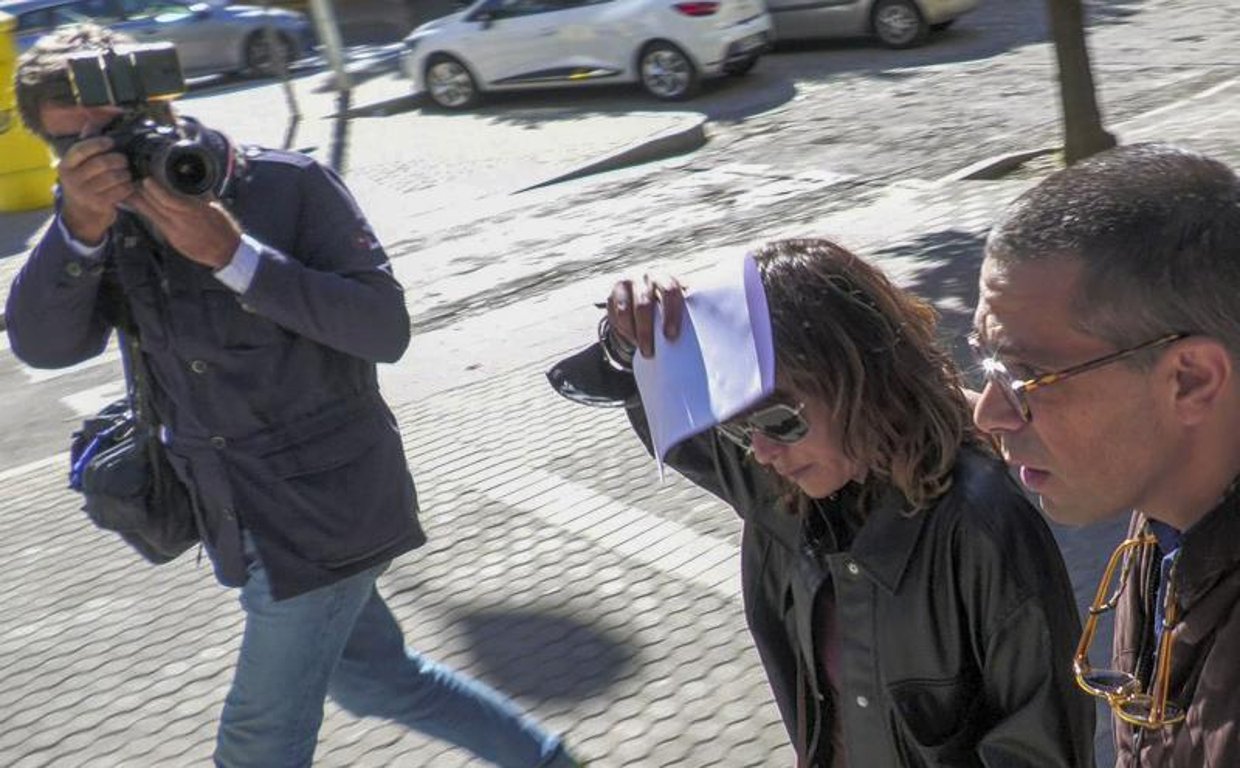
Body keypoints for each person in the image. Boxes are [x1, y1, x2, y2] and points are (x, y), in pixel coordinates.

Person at [7, 24, 576, 768]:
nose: (101, 161)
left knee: (256, 749)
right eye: (70, 147)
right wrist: (77, 229)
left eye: (112, 135)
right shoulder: (100, 222)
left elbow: (383, 327)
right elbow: (45, 345)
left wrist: (235, 257)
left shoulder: (282, 184)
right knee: (382, 683)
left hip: (328, 517)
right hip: (240, 517)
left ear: (161, 105)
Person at [550, 238, 1095, 766]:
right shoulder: (786, 490)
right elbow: (646, 396)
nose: (761, 451)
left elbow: (1043, 744)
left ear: (862, 384)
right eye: (740, 425)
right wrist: (634, 339)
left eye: (778, 419)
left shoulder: (981, 524)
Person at [971, 143, 1240, 767]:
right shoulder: (1169, 492)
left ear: (1190, 380)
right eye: (987, 361)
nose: (990, 413)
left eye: (1025, 374)